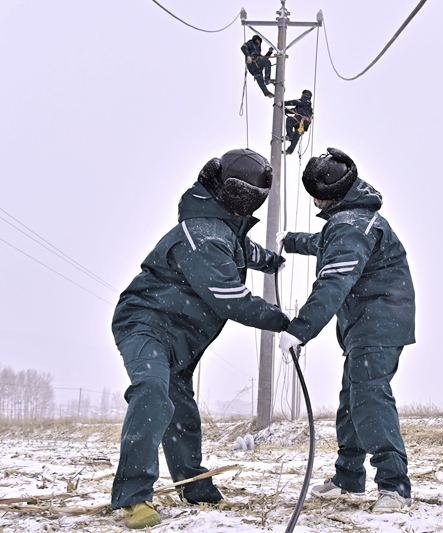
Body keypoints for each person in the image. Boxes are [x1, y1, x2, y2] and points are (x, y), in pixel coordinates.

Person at [110, 148, 290, 529]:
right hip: (147, 322)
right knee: (152, 391)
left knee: (182, 413)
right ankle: (133, 497)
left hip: (180, 337)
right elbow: (232, 298)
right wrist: (285, 321)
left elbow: (243, 250)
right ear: (239, 197)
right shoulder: (204, 235)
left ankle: (193, 487)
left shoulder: (221, 225)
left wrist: (273, 260)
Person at [278, 148, 416, 513]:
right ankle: (349, 477)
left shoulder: (352, 225)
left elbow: (334, 282)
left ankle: (395, 487)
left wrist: (300, 329)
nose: (315, 203)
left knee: (369, 399)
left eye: (316, 196)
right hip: (365, 325)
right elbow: (324, 243)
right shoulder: (351, 220)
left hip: (378, 324)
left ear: (329, 194)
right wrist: (290, 240)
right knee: (351, 401)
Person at [284, 89, 313, 154]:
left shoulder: (305, 101)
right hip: (305, 123)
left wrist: (283, 103)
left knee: (289, 120)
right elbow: (294, 110)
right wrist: (284, 109)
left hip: (302, 119)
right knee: (297, 134)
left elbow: (295, 102)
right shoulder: (307, 106)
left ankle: (289, 135)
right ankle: (290, 150)